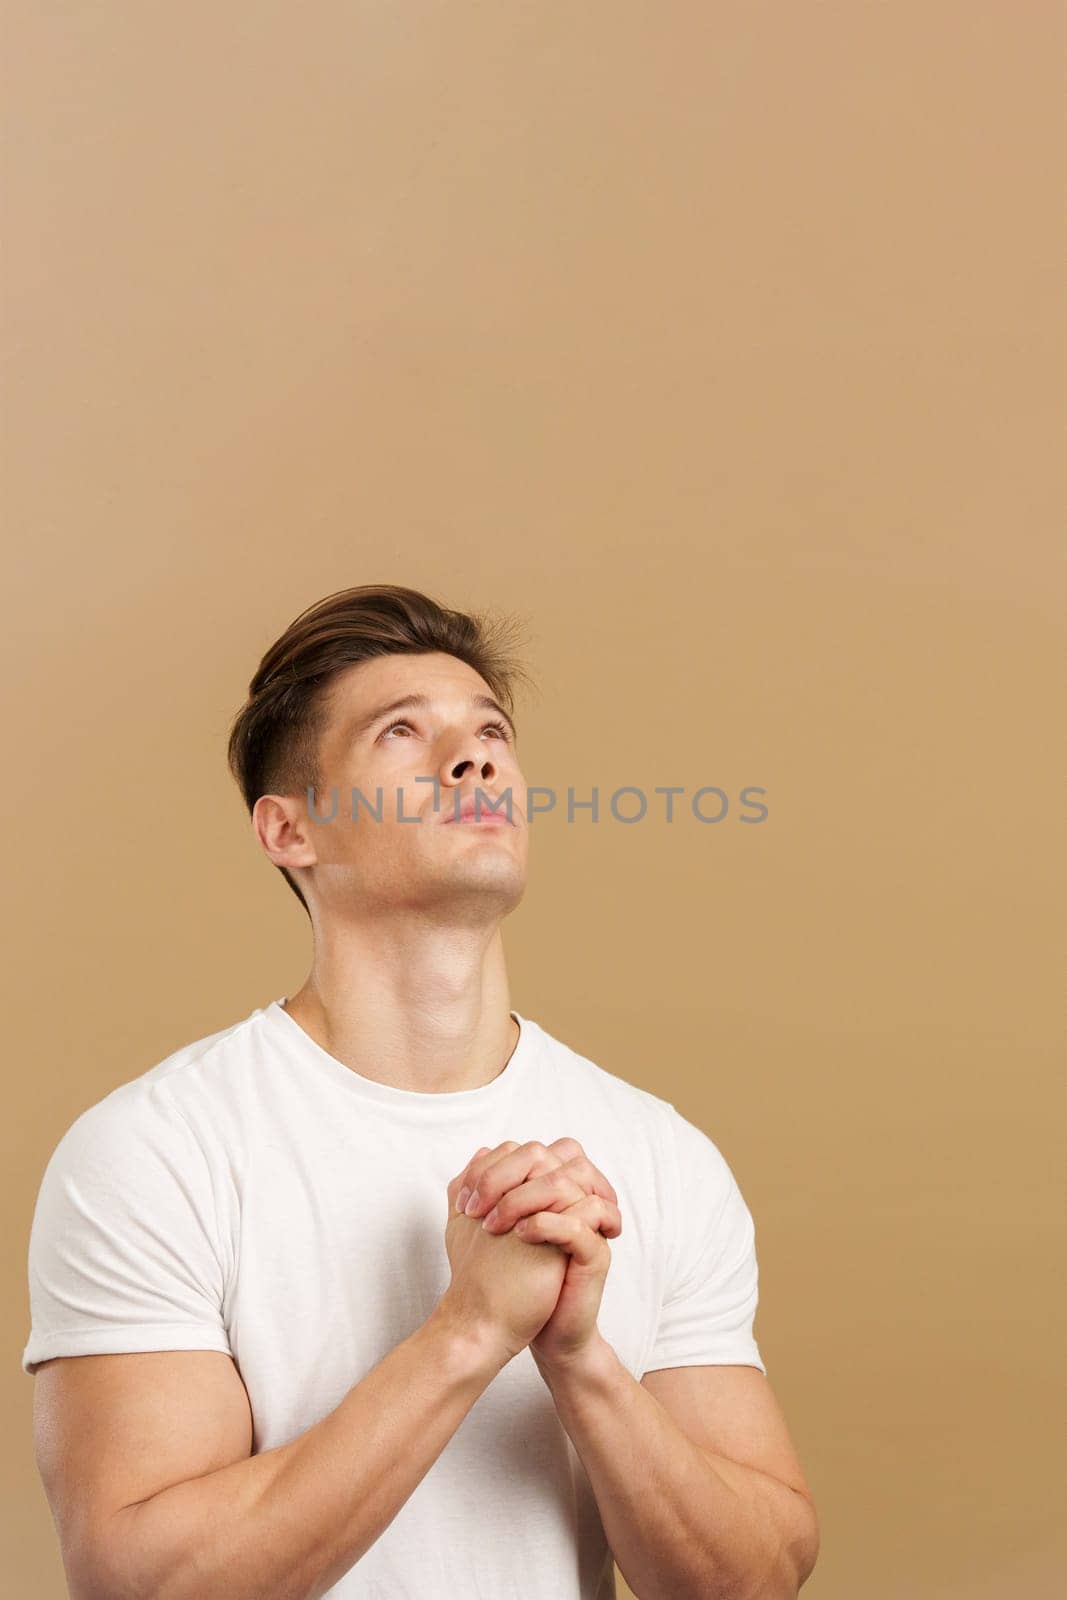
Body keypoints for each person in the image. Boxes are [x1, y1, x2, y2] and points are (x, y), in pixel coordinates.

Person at [22, 583, 819, 1599]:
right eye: (402, 732)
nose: (474, 757)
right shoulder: (156, 1149)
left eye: (489, 731)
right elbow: (144, 1583)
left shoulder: (657, 1153)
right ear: (289, 831)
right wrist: (468, 1333)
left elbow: (752, 1579)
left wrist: (578, 1360)